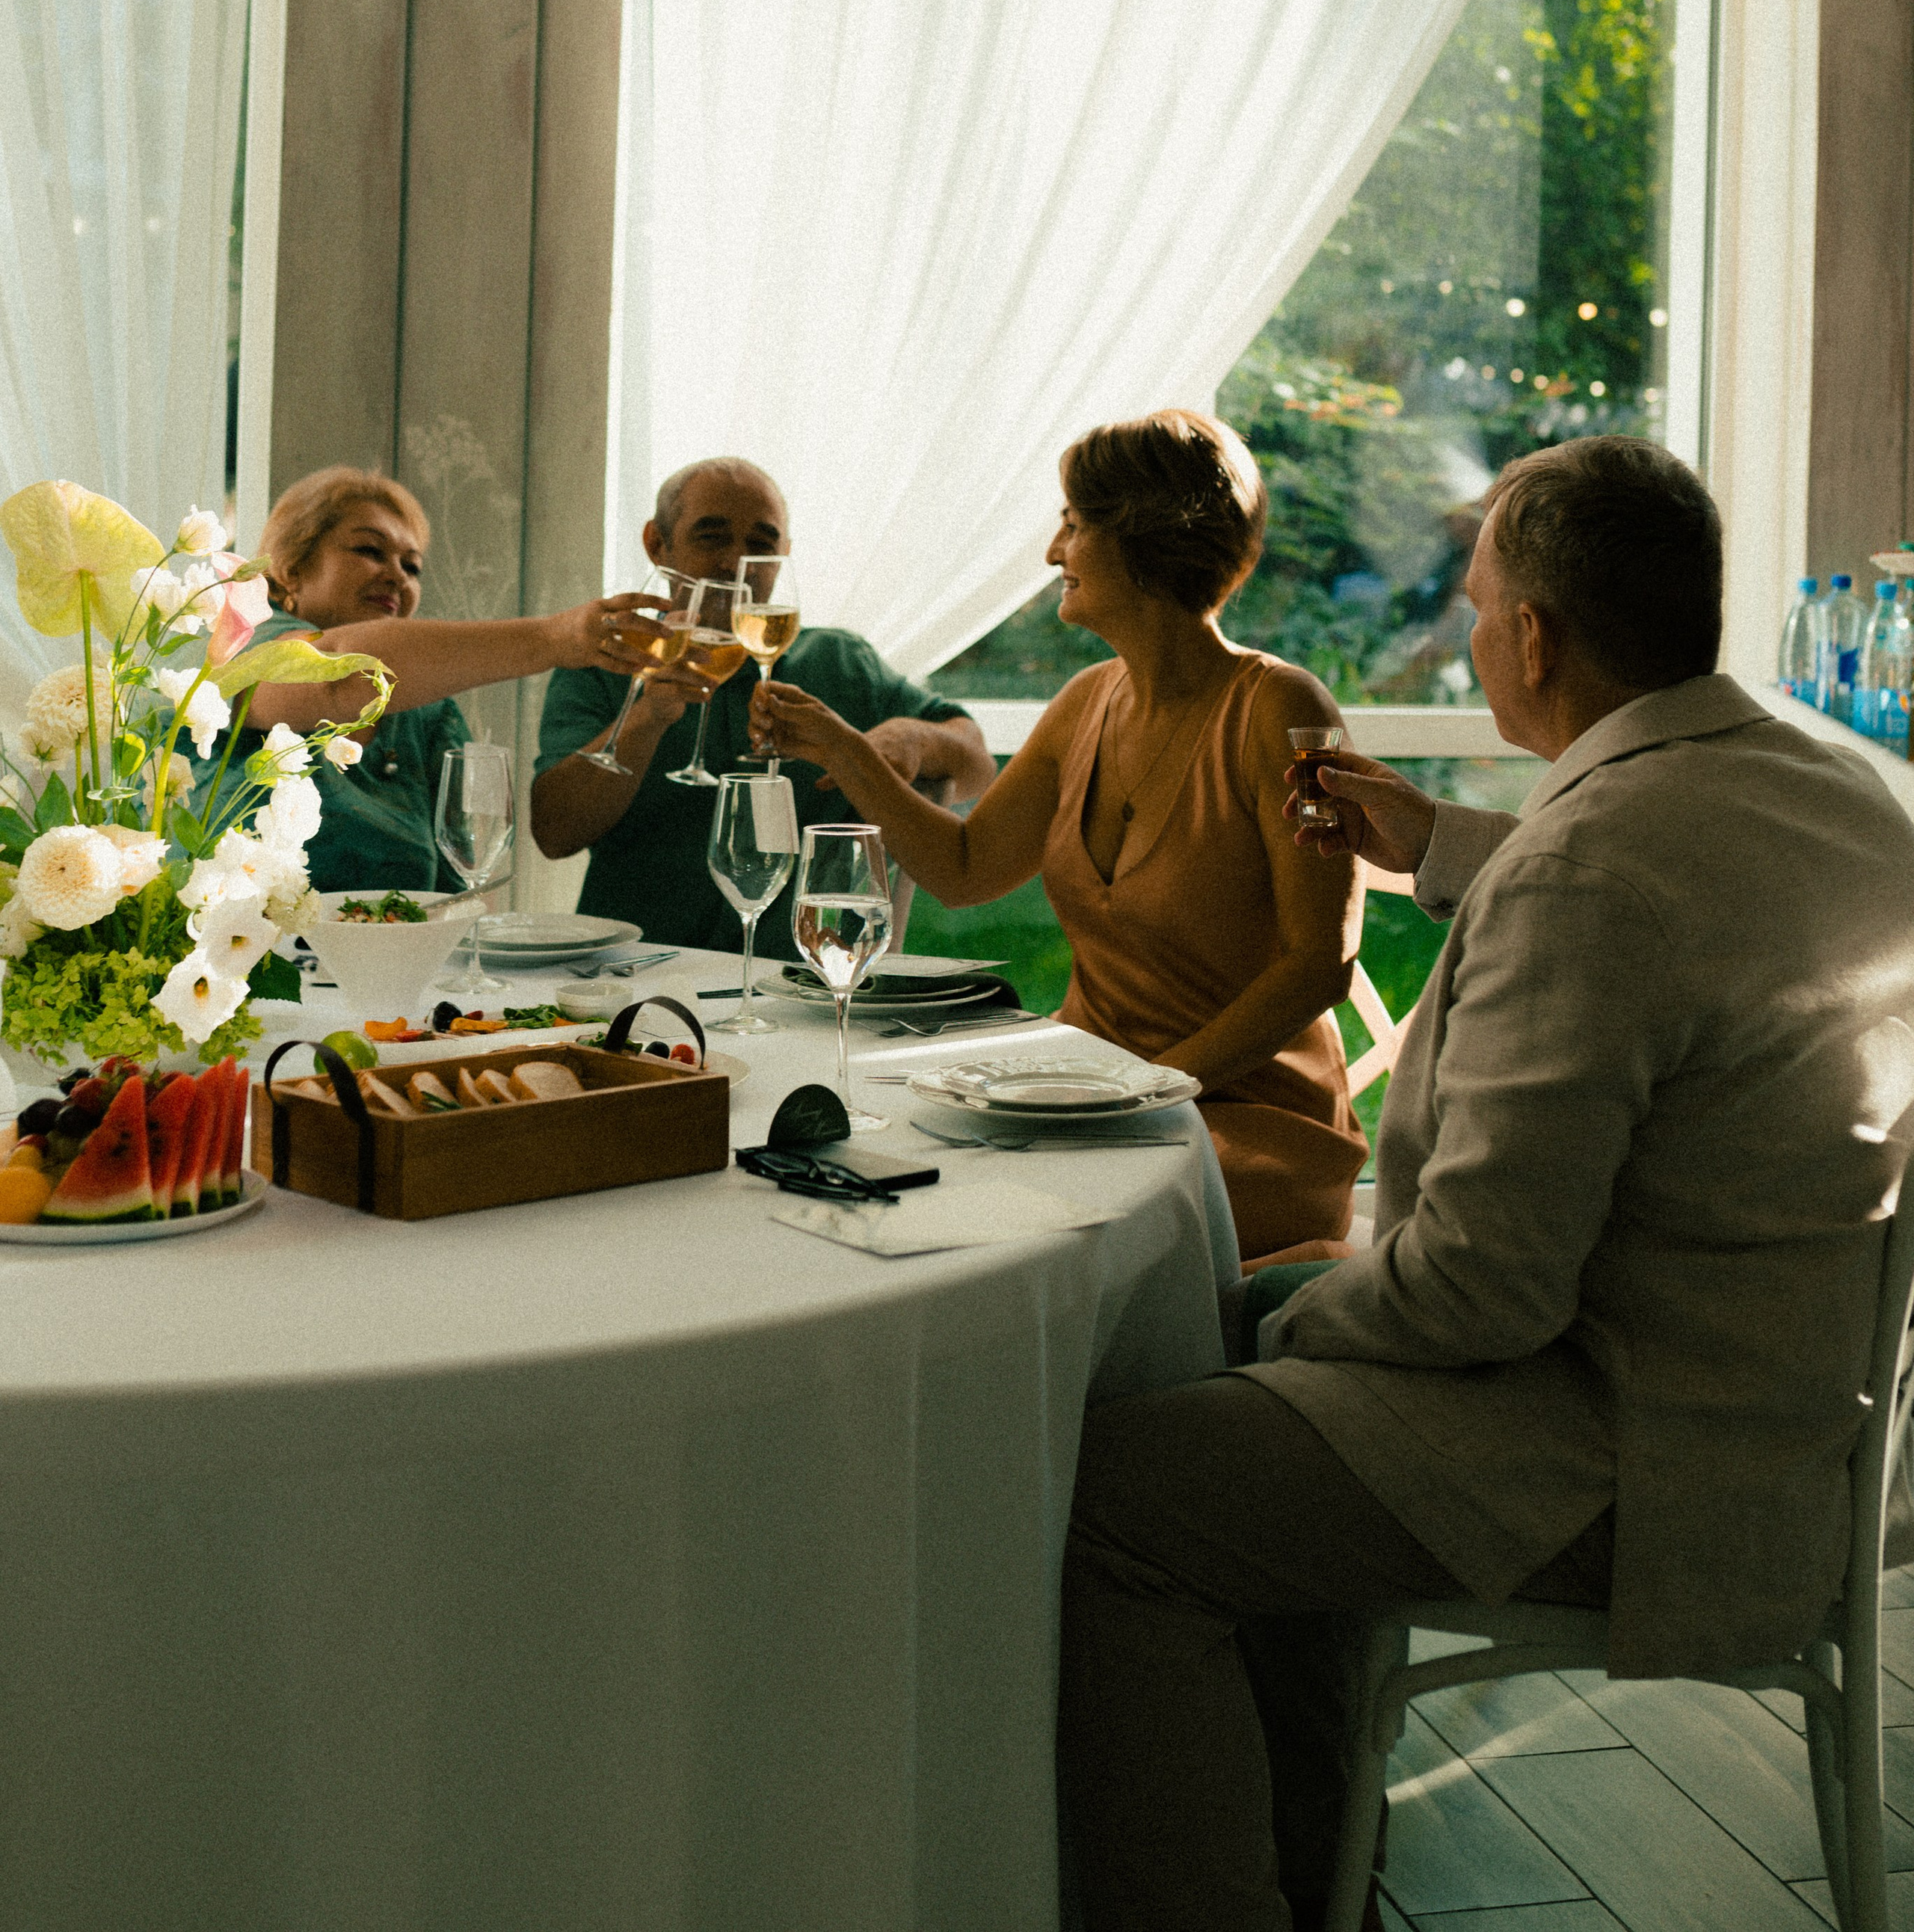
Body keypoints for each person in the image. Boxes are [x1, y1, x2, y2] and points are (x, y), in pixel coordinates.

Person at [1055, 435, 1914, 1932]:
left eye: (1471, 606)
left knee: (1114, 1496)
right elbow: (1665, 906)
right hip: (1785, 1422)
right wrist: (1443, 844)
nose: (1466, 633)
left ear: (1532, 636)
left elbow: (1476, 1293)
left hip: (1626, 1457)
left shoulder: (1587, 869)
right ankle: (1313, 1865)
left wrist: (1293, 1325)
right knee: (1246, 1347)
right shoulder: (1840, 796)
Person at [752, 410, 1368, 1264]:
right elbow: (966, 869)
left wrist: (1145, 1090)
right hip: (1083, 1098)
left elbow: (1319, 964)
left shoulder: (1282, 709)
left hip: (1241, 1121)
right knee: (854, 1174)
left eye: (1073, 525)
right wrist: (843, 751)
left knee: (995, 1224)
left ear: (1143, 537)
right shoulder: (1086, 701)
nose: (1052, 552)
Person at [529, 456, 996, 956]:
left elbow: (978, 768)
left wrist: (915, 737)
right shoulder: (607, 661)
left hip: (800, 982)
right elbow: (554, 835)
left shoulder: (839, 662)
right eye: (712, 537)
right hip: (632, 972)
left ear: (784, 555)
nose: (736, 563)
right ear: (657, 545)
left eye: (761, 545)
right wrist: (648, 717)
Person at [221, 467, 649, 892]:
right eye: (370, 550)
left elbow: (460, 887)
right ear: (292, 568)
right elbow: (335, 673)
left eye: (412, 566)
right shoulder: (233, 647)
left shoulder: (429, 714)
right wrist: (556, 638)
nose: (397, 576)